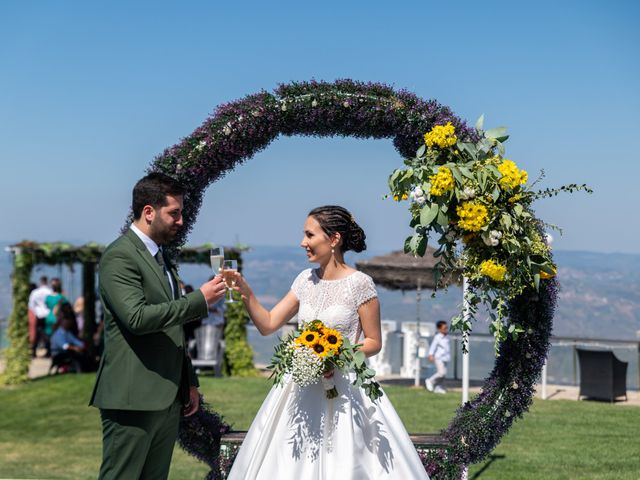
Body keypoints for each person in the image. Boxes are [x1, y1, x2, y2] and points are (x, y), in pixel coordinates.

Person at [227, 206, 429, 479]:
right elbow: (268, 324)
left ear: (334, 239)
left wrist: (336, 355)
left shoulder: (360, 284)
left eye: (309, 235)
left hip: (346, 390)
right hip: (300, 387)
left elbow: (373, 341)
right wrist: (245, 291)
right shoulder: (304, 281)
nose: (302, 243)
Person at [89, 172, 227, 480]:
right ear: (148, 212)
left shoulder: (161, 258)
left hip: (167, 397)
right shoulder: (120, 256)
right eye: (174, 213)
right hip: (132, 397)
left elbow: (171, 328)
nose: (180, 221)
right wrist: (199, 301)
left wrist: (188, 381)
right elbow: (137, 318)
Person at [50, 303, 90, 373]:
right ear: (63, 321)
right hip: (58, 354)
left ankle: (87, 368)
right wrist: (75, 348)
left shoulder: (68, 333)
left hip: (67, 352)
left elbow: (75, 341)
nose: (69, 323)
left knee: (83, 353)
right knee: (75, 354)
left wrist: (82, 346)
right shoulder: (58, 333)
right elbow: (64, 346)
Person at [28, 276, 52, 357]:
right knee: (48, 333)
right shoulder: (50, 291)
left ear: (40, 282)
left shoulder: (35, 292)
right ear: (47, 281)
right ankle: (48, 351)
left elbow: (31, 305)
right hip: (48, 314)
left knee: (37, 334)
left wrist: (36, 312)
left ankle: (34, 352)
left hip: (38, 315)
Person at [44, 278, 69, 357]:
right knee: (57, 335)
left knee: (49, 335)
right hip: (58, 318)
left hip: (49, 317)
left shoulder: (48, 297)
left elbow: (47, 305)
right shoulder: (61, 297)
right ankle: (56, 352)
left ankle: (49, 351)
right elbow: (66, 306)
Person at [425, 321, 450, 394]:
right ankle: (430, 381)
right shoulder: (438, 337)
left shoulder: (447, 337)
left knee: (443, 375)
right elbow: (433, 346)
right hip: (439, 358)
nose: (446, 329)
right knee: (441, 373)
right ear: (439, 329)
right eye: (444, 328)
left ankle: (438, 387)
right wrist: (430, 354)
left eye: (446, 328)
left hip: (446, 358)